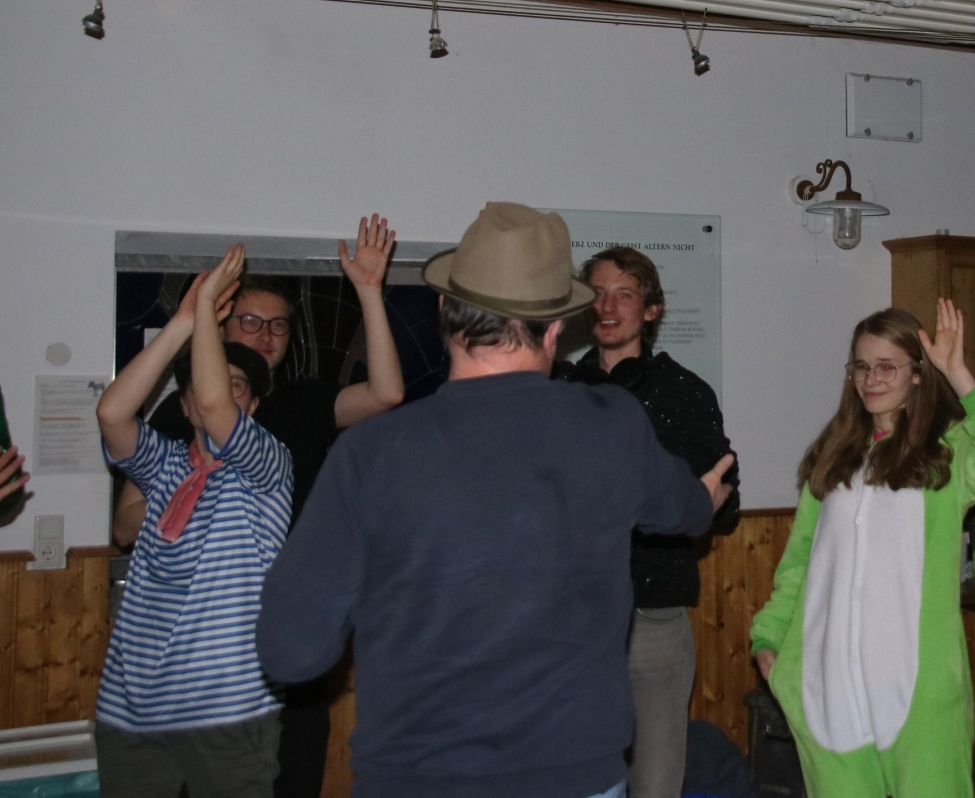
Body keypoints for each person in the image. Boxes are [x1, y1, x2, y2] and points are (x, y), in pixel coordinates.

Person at [256, 202, 735, 798]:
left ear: (443, 310)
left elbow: (291, 652)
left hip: (418, 781)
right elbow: (687, 510)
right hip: (576, 779)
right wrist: (704, 494)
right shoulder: (613, 424)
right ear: (556, 327)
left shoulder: (372, 451)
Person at [117, 214, 403, 798]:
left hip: (290, 627)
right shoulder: (181, 410)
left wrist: (370, 292)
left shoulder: (304, 400)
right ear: (220, 325)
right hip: (202, 641)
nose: (265, 335)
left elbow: (386, 394)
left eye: (278, 325)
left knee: (294, 770)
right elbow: (126, 524)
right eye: (249, 321)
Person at [750, 300, 975, 798]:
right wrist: (769, 638)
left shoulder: (948, 455)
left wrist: (957, 371)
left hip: (915, 688)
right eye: (861, 366)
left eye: (886, 367)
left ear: (917, 375)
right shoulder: (833, 458)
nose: (871, 379)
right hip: (828, 686)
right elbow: (801, 561)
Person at [94, 244, 294, 798]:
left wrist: (206, 307)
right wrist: (182, 322)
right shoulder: (164, 465)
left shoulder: (266, 466)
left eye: (238, 387)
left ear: (251, 407)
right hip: (131, 706)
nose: (220, 394)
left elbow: (213, 403)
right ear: (181, 407)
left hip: (226, 706)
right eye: (208, 386)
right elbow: (112, 413)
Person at [554, 246, 740, 798]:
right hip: (570, 621)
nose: (609, 307)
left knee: (656, 784)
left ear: (651, 310)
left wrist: (691, 500)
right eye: (598, 295)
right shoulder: (559, 391)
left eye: (625, 294)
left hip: (653, 618)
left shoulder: (685, 392)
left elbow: (724, 501)